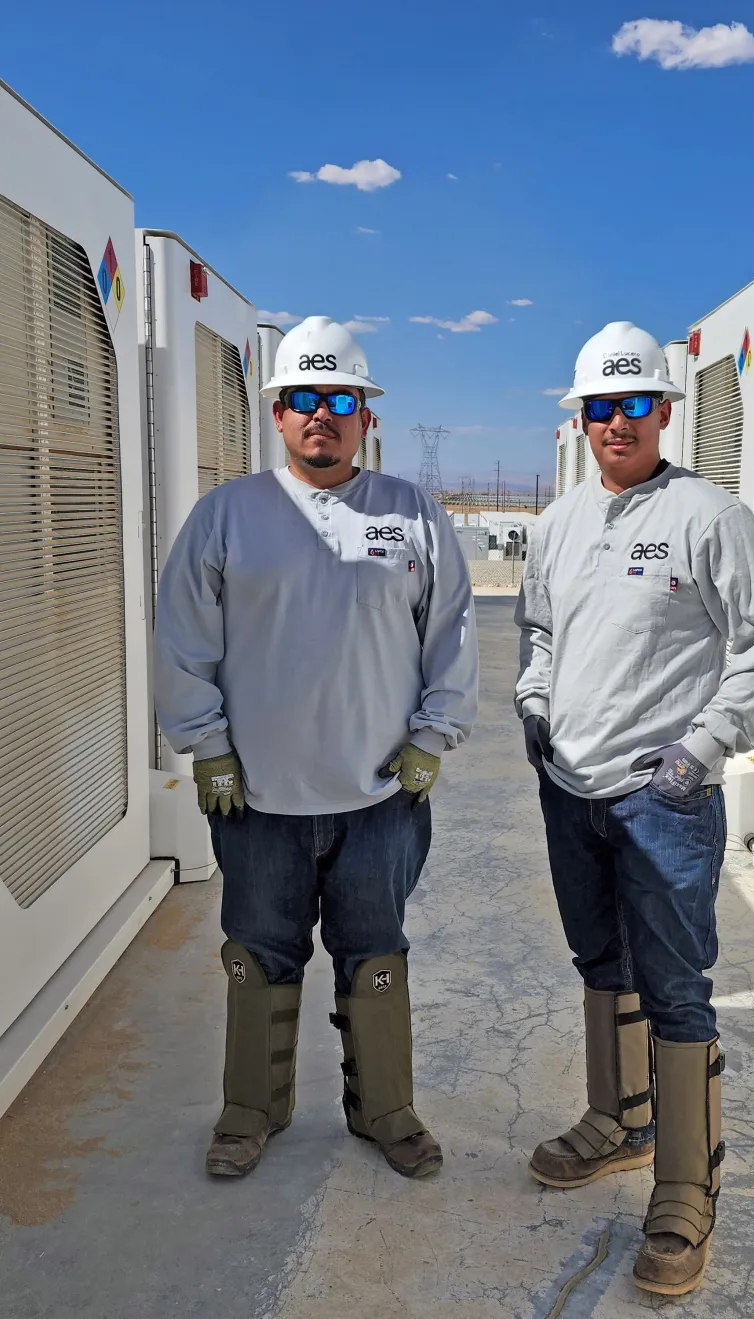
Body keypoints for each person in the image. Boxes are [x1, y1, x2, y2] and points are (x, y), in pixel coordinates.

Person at [155, 317, 478, 1180]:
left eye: (340, 399)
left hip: (381, 798)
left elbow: (450, 637)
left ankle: (385, 1109)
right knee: (258, 955)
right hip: (258, 799)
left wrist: (432, 737)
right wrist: (207, 748)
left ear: (366, 414)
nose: (322, 416)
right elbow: (182, 641)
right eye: (304, 399)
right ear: (278, 412)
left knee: (375, 955)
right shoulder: (227, 516)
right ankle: (249, 1109)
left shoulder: (411, 512)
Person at [515, 322, 754, 1296]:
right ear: (581, 419)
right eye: (600, 407)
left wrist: (700, 750)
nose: (615, 423)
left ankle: (682, 1189)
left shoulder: (707, 517)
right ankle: (618, 1119)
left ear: (663, 410)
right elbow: (541, 635)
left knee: (676, 991)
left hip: (662, 801)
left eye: (634, 404)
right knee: (602, 963)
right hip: (572, 790)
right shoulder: (553, 525)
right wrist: (534, 705)